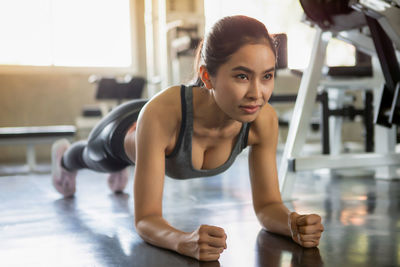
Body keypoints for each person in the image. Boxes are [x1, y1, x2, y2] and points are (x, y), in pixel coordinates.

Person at [51, 15, 324, 262]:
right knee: (89, 157)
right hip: (124, 130)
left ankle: (127, 172)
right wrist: (184, 241)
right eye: (242, 76)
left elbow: (267, 206)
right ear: (207, 76)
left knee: (129, 166)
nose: (257, 93)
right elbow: (146, 219)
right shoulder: (161, 115)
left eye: (267, 76)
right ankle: (63, 157)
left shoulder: (263, 120)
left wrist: (292, 223)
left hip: (157, 124)